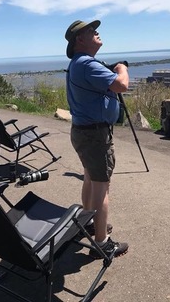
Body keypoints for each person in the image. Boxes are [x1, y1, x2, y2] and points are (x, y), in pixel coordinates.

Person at [65, 19, 129, 259]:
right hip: (95, 134)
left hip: (83, 131)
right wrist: (122, 67)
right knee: (102, 186)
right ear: (79, 40)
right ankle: (102, 243)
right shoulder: (87, 64)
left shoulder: (77, 63)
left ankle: (89, 222)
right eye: (92, 31)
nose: (97, 32)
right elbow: (121, 85)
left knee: (91, 178)